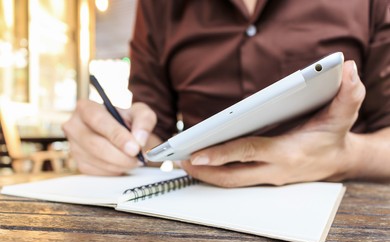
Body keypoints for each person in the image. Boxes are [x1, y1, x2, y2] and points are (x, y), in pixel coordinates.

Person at [63, 0, 390, 187]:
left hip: (343, 212)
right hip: (196, 212)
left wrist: (347, 157)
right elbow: (152, 132)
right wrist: (116, 140)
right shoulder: (157, 5)